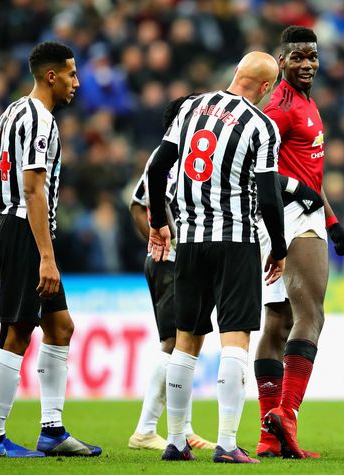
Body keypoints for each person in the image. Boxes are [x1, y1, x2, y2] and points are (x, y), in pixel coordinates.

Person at [147, 51, 287, 464]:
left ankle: (175, 441)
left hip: (189, 240)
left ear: (236, 73)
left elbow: (157, 169)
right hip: (236, 240)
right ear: (265, 88)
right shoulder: (260, 126)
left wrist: (159, 219)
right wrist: (278, 248)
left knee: (186, 341)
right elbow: (268, 194)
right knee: (235, 340)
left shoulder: (189, 107)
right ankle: (227, 443)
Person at [0, 41, 101, 458]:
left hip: (12, 225)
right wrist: (46, 255)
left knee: (60, 326)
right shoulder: (39, 119)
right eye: (72, 74)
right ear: (52, 76)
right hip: (21, 228)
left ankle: (52, 432)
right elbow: (32, 189)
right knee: (17, 329)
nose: (76, 83)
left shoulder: (12, 110)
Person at [254, 25, 344, 460]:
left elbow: (306, 173)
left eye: (312, 56)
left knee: (277, 323)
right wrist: (300, 196)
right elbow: (253, 166)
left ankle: (268, 436)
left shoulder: (307, 104)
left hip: (298, 217)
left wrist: (331, 221)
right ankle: (288, 414)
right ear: (281, 62)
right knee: (311, 315)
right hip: (291, 219)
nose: (307, 64)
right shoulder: (278, 107)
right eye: (297, 57)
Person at [127, 95, 216, 452]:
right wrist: (160, 238)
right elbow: (139, 206)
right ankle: (146, 429)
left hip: (189, 260)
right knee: (174, 342)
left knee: (189, 340)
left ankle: (185, 427)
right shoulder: (165, 157)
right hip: (170, 261)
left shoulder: (197, 156)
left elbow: (136, 202)